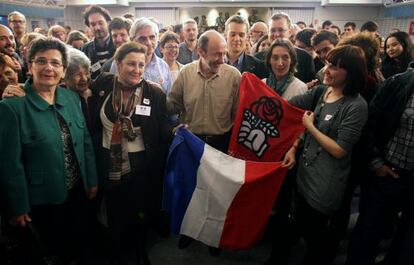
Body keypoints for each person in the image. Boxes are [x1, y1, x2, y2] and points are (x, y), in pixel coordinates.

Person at [266, 45, 368, 265]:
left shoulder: (356, 106)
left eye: (334, 66)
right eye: (327, 64)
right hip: (304, 176)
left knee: (316, 242)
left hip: (324, 185)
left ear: (350, 72)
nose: (326, 70)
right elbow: (286, 106)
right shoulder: (324, 92)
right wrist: (294, 147)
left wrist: (310, 127)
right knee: (290, 229)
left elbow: (340, 150)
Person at [0, 37, 98, 264]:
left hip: (76, 190)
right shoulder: (11, 108)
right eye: (41, 61)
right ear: (29, 64)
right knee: (51, 250)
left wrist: (91, 179)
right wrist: (17, 205)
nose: (49, 68)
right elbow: (9, 164)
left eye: (56, 63)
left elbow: (84, 142)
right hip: (41, 199)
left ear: (63, 70)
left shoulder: (72, 98)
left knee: (77, 243)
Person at [88, 42, 172, 265]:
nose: (137, 69)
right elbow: (77, 91)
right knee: (113, 211)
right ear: (118, 63)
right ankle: (116, 249)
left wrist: (177, 131)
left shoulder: (153, 92)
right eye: (131, 64)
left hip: (140, 165)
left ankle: (138, 250)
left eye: (141, 65)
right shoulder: (103, 83)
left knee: (138, 211)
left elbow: (161, 125)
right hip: (107, 161)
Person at [167, 30, 241, 256]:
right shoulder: (186, 74)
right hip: (193, 144)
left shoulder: (234, 75)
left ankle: (213, 237)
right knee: (191, 191)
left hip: (220, 144)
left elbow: (238, 113)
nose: (222, 59)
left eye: (224, 54)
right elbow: (172, 104)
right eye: (216, 55)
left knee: (217, 195)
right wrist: (174, 124)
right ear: (200, 52)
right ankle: (189, 232)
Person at [345, 64, 414, 265]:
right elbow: (370, 124)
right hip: (386, 173)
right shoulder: (398, 83)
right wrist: (375, 162)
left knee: (406, 245)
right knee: (367, 233)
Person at [255, 12, 315, 83]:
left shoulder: (305, 57)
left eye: (281, 30)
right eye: (273, 30)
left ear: (289, 32)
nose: (276, 34)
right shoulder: (258, 58)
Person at [81, 5, 115, 79]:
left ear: (108, 23)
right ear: (89, 26)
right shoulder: (85, 50)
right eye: (93, 24)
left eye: (100, 23)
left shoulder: (119, 46)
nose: (97, 28)